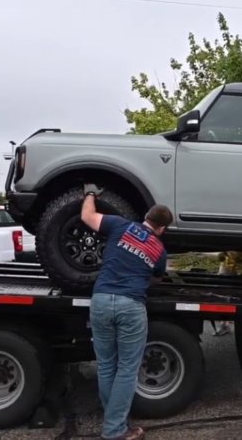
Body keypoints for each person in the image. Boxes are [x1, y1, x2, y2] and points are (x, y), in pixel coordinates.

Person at [80, 183, 173, 440]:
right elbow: (156, 278)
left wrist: (90, 194)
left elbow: (87, 216)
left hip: (99, 300)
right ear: (162, 229)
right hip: (130, 305)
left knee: (106, 366)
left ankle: (115, 423)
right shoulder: (159, 250)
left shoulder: (120, 225)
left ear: (146, 218)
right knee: (127, 370)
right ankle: (115, 430)